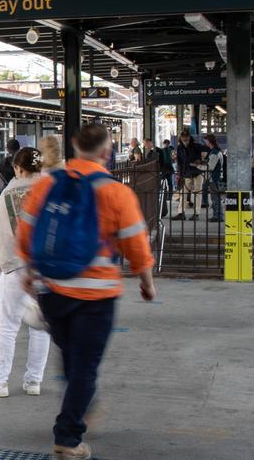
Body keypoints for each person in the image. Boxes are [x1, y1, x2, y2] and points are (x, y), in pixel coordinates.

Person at [18, 124, 156, 459]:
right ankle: (67, 437)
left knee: (71, 358)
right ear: (106, 152)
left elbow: (27, 232)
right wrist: (146, 280)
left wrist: (29, 271)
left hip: (53, 293)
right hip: (96, 296)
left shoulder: (47, 184)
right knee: (85, 368)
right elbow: (135, 242)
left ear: (76, 148)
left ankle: (81, 405)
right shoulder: (115, 191)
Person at [0, 147, 51, 399]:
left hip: (18, 266)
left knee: (6, 325)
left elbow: (3, 234)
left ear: (18, 168)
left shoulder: (11, 193)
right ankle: (34, 381)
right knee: (40, 324)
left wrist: (5, 265)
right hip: (48, 267)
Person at [172, 130, 207, 221]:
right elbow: (179, 161)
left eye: (186, 139)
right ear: (181, 139)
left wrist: (202, 161)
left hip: (197, 172)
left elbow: (208, 150)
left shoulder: (196, 146)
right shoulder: (180, 148)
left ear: (189, 138)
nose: (185, 141)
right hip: (186, 173)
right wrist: (180, 173)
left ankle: (196, 213)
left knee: (197, 193)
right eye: (183, 139)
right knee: (183, 193)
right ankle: (181, 213)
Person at [204, 134, 225, 223]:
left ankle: (217, 216)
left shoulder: (214, 153)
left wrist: (198, 167)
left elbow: (210, 167)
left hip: (214, 178)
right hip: (217, 177)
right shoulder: (217, 151)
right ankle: (218, 215)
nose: (205, 142)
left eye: (206, 141)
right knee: (217, 197)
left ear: (209, 141)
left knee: (215, 198)